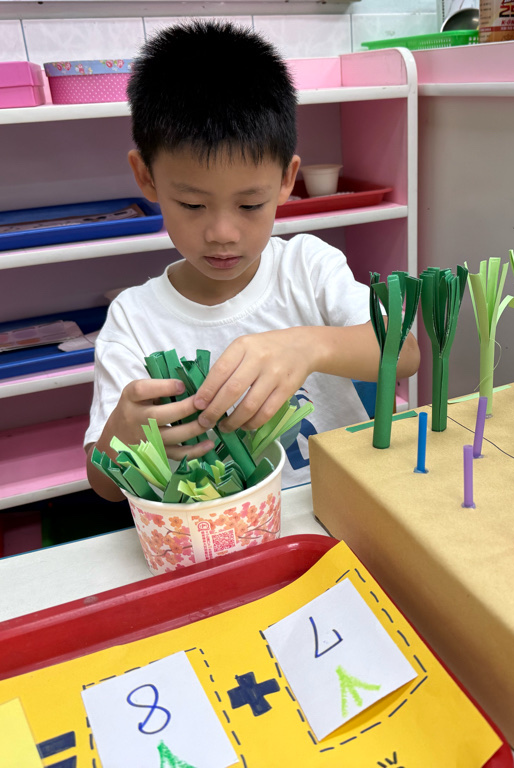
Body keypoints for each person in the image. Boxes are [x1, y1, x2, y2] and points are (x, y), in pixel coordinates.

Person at [85, 20, 420, 500]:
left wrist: (309, 346)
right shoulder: (135, 320)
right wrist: (124, 432)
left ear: (286, 179)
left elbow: (405, 353)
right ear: (147, 177)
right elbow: (104, 487)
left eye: (250, 205)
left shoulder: (307, 266)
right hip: (219, 533)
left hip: (339, 510)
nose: (222, 233)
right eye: (193, 204)